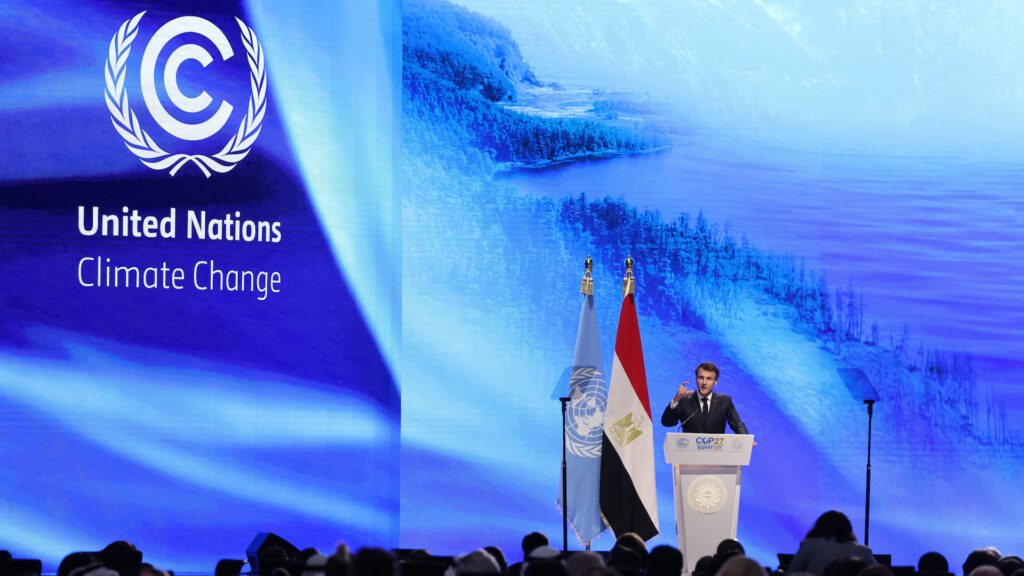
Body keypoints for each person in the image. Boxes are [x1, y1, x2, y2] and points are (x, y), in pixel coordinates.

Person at [661, 362, 747, 434]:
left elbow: (737, 424)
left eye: (709, 379)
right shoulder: (684, 400)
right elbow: (667, 423)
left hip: (715, 452)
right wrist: (676, 398)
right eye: (701, 377)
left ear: (715, 382)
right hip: (690, 452)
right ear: (696, 379)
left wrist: (746, 440)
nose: (704, 382)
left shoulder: (724, 401)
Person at [788, 511, 875, 576]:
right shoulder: (863, 551)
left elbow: (792, 571)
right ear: (848, 529)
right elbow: (879, 572)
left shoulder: (808, 545)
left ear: (819, 527)